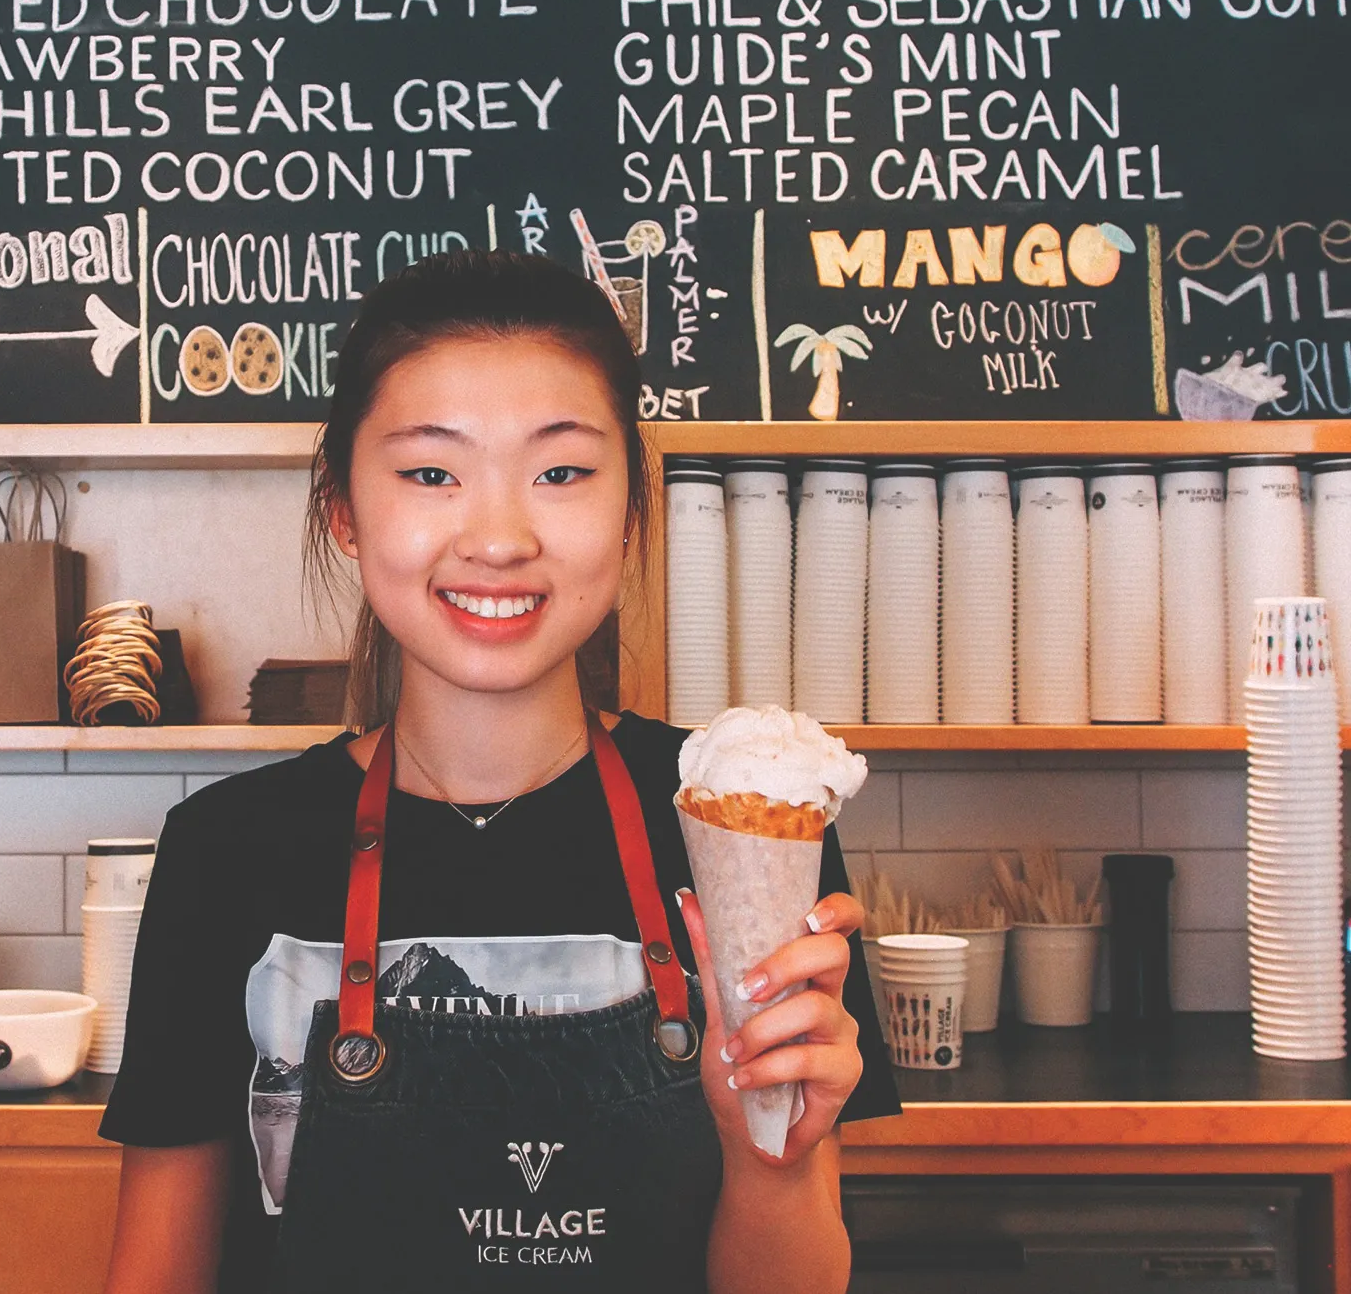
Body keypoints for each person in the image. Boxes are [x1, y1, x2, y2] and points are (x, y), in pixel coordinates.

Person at [99, 250, 899, 1293]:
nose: (500, 537)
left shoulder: (736, 830)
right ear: (344, 508)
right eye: (432, 472)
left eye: (560, 472)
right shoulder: (228, 849)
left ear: (631, 508)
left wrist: (772, 1152)